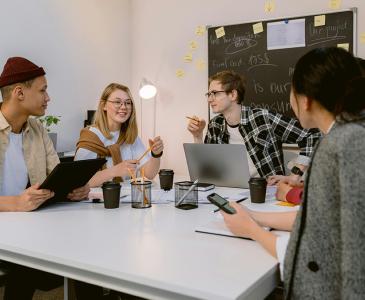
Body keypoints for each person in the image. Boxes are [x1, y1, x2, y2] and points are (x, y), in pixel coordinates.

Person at [222, 47, 365, 299]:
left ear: (305, 99)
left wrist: (251, 229)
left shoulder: (346, 142)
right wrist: (254, 217)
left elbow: (341, 254)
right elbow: (319, 222)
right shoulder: (344, 136)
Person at [0, 57, 90, 298]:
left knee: (85, 249)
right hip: (9, 228)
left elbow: (56, 174)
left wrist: (73, 189)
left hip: (26, 230)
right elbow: (18, 203)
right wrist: (15, 203)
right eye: (43, 90)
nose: (48, 98)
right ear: (19, 92)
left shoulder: (37, 129)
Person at [187, 70, 321, 178]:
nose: (210, 99)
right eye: (208, 94)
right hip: (230, 191)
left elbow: (313, 134)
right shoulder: (215, 124)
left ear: (233, 95)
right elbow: (207, 169)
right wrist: (197, 135)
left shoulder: (263, 118)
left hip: (266, 192)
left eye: (215, 93)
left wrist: (295, 174)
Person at [74, 83, 164, 187]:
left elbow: (149, 175)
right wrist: (114, 171)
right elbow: (79, 181)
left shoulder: (130, 137)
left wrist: (156, 155)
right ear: (104, 105)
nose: (124, 107)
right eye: (117, 102)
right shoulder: (91, 137)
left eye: (128, 103)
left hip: (124, 198)